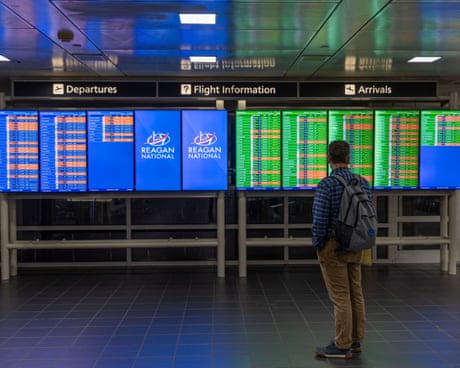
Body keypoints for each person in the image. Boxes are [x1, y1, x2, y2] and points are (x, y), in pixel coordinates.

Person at [312, 140, 371, 359]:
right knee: (356, 293)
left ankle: (342, 344)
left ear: (329, 158)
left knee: (340, 297)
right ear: (348, 158)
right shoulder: (362, 182)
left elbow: (319, 220)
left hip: (333, 247)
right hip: (356, 244)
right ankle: (356, 340)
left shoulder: (327, 184)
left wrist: (319, 244)